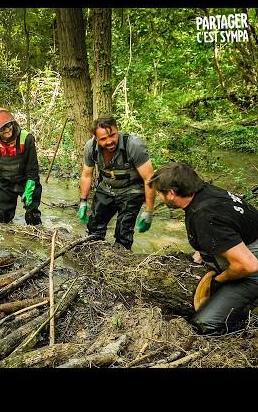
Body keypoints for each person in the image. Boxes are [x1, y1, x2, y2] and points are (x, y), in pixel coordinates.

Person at [149, 162, 258, 335]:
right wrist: (202, 251)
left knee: (205, 324)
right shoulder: (204, 192)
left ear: (171, 193)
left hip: (252, 267)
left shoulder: (205, 216)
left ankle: (248, 319)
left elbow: (249, 266)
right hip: (248, 248)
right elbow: (225, 228)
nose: (159, 197)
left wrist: (219, 281)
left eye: (159, 193)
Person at [77, 116, 156, 250]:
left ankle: (121, 257)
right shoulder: (90, 148)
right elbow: (86, 175)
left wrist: (149, 211)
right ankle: (93, 252)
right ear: (96, 138)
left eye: (112, 135)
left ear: (117, 130)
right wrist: (83, 201)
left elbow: (149, 179)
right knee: (94, 228)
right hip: (106, 187)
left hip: (131, 191)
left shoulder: (133, 145)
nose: (109, 142)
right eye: (103, 139)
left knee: (123, 233)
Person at [0, 107, 42, 225]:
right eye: (2, 128)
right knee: (4, 218)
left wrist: (30, 189)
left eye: (9, 125)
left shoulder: (26, 138)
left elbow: (33, 167)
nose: (7, 129)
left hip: (27, 180)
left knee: (32, 216)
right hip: (6, 183)